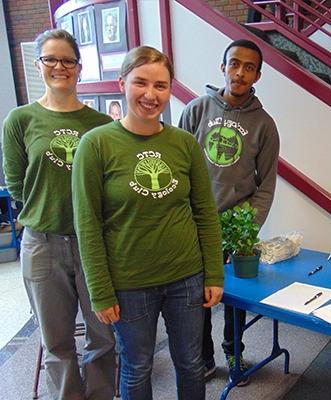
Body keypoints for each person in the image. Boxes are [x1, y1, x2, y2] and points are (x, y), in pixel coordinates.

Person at [72, 45, 224, 400]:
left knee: (190, 362)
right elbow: (88, 225)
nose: (150, 95)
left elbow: (204, 212)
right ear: (122, 83)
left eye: (161, 85)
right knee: (137, 367)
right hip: (129, 283)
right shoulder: (95, 145)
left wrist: (213, 273)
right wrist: (100, 290)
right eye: (141, 83)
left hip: (186, 278)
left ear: (170, 89)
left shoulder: (184, 144)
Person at [2, 29, 116, 400]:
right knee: (57, 342)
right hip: (42, 246)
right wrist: (45, 209)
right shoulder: (20, 120)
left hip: (93, 247)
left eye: (67, 60)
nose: (59, 67)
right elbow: (17, 183)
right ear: (38, 65)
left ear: (79, 68)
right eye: (50, 59)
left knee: (102, 337)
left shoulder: (100, 126)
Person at [178, 38, 280, 385]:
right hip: (193, 226)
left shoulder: (264, 124)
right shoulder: (195, 110)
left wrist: (246, 227)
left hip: (236, 229)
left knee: (234, 300)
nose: (239, 72)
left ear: (258, 75)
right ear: (222, 67)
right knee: (198, 299)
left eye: (248, 67)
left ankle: (234, 353)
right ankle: (204, 358)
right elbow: (177, 168)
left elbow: (266, 184)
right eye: (234, 64)